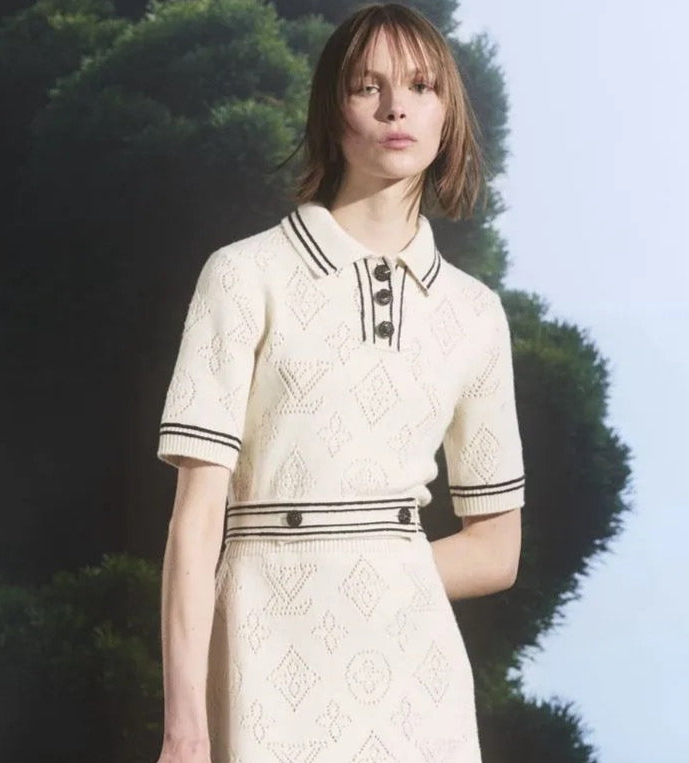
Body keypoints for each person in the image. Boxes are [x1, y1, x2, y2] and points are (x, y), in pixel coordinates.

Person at [155, 3, 525, 762]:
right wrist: (184, 729)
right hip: (261, 655)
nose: (396, 107)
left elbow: (496, 550)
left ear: (448, 112)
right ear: (332, 107)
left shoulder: (475, 313)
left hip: (418, 681)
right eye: (367, 86)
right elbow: (196, 522)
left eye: (421, 86)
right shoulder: (243, 275)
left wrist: (372, 570)